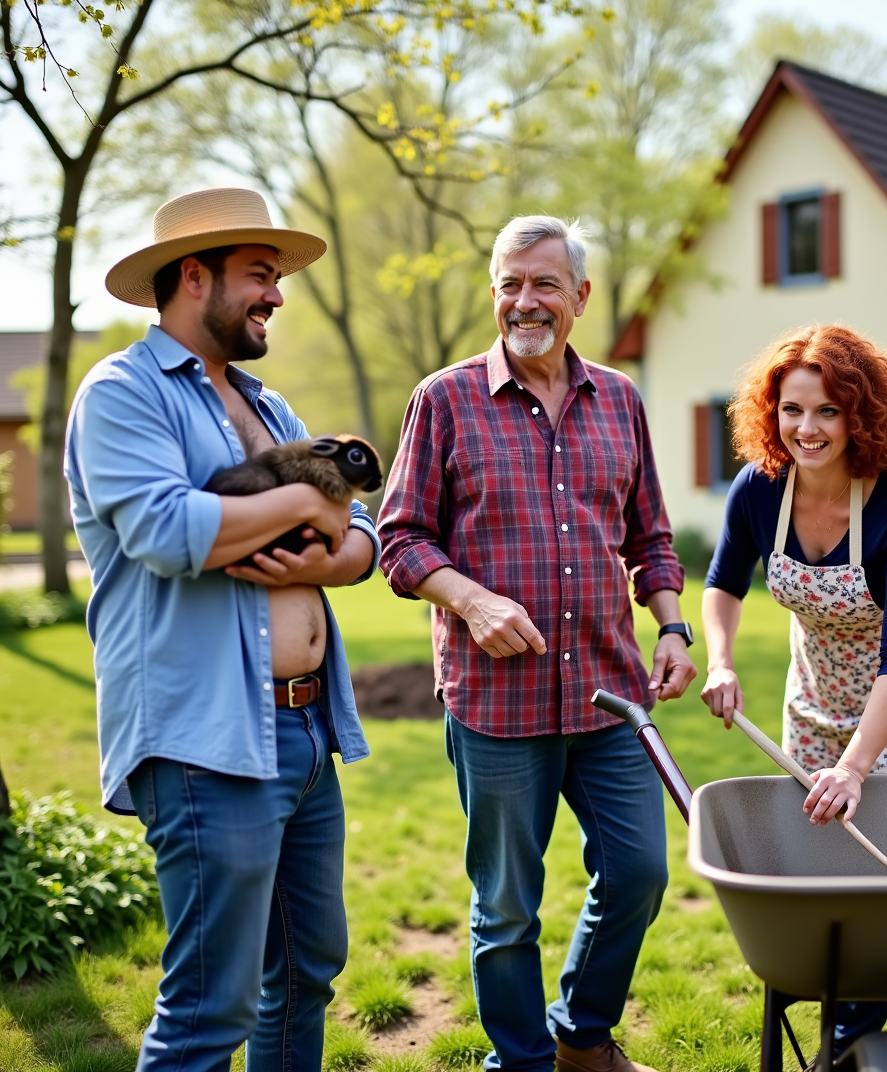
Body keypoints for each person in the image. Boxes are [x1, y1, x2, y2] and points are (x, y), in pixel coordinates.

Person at [65, 188, 381, 1072]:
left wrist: (328, 545)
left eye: (275, 277)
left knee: (308, 971)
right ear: (193, 277)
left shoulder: (269, 408)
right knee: (211, 1006)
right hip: (207, 738)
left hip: (309, 726)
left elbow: (365, 537)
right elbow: (168, 532)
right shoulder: (123, 394)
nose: (276, 296)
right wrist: (311, 499)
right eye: (258, 276)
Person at [377, 216, 697, 1072]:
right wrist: (470, 600)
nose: (527, 301)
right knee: (507, 907)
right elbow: (401, 540)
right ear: (494, 293)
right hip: (495, 704)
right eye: (512, 283)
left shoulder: (621, 400)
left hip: (609, 692)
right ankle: (519, 1063)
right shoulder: (443, 399)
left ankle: (581, 1035)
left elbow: (651, 538)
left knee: (639, 874)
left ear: (580, 297)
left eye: (546, 284)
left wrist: (671, 624)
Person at [698, 324, 887, 1058]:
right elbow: (720, 583)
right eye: (792, 410)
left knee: (877, 859)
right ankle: (830, 984)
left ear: (859, 414)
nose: (807, 429)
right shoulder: (760, 488)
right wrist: (720, 661)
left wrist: (857, 764)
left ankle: (859, 1020)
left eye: (828, 411)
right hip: (810, 701)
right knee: (816, 857)